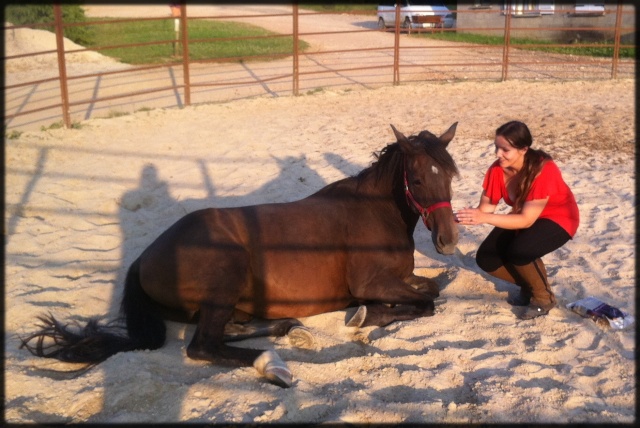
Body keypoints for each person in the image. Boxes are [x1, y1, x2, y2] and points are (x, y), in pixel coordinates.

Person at [455, 120, 579, 320]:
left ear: (523, 149)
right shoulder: (496, 170)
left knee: (520, 251)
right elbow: (485, 208)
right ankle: (531, 286)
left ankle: (543, 298)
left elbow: (526, 221)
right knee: (486, 258)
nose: (498, 154)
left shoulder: (543, 169)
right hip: (523, 216)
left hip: (559, 217)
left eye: (505, 149)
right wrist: (458, 217)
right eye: (496, 147)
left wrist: (484, 217)